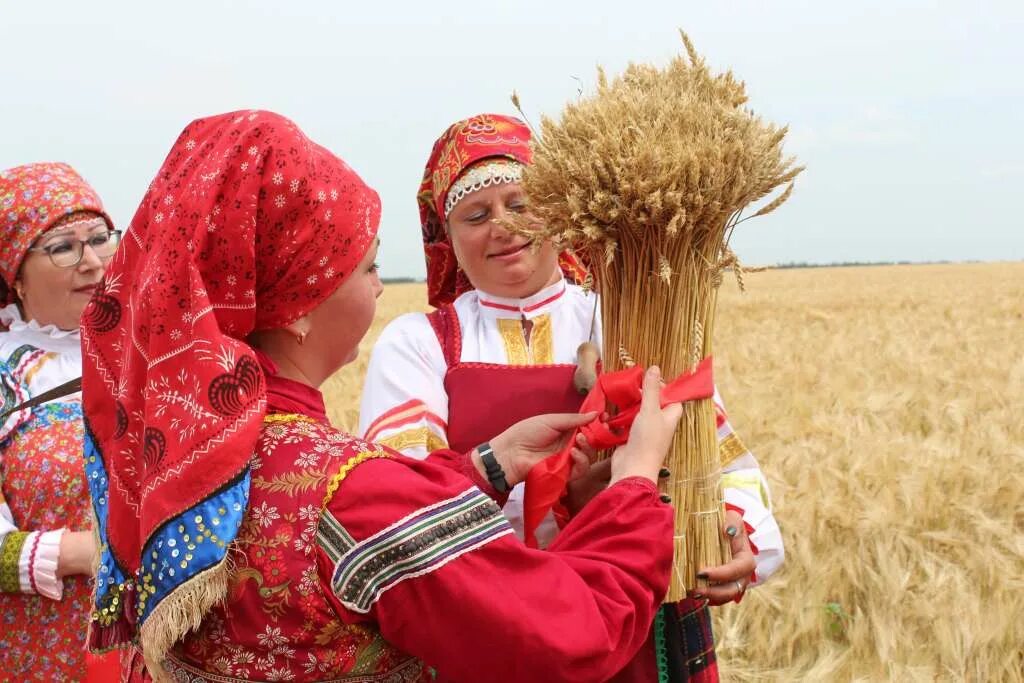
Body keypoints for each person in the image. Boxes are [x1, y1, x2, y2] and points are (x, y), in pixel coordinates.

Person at [82, 110, 688, 683]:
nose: (380, 285)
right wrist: (634, 482)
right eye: (366, 267)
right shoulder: (356, 492)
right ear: (297, 311)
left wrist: (487, 466)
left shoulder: (177, 463)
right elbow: (571, 635)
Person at [359, 113, 785, 681]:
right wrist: (532, 483)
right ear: (446, 238)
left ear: (560, 209)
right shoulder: (418, 344)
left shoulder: (631, 315)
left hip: (644, 628)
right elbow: (402, 506)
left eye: (520, 203)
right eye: (476, 215)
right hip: (491, 629)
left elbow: (719, 457)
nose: (503, 227)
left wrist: (736, 527)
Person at [0, 162, 122, 681]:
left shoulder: (146, 354)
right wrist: (79, 553)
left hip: (158, 649)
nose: (93, 263)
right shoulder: (9, 374)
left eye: (100, 239)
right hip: (42, 655)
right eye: (64, 247)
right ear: (16, 275)